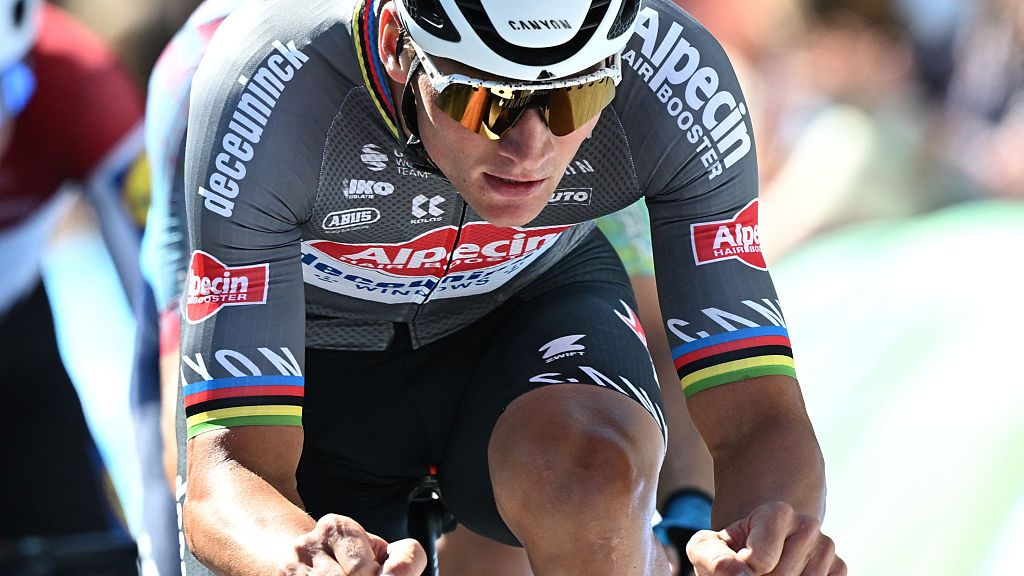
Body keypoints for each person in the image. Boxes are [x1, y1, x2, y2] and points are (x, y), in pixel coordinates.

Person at [179, 1, 845, 575]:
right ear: (396, 48)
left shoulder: (674, 76)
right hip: (318, 355)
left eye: (574, 99)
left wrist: (767, 544)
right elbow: (227, 468)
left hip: (528, 313)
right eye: (484, 101)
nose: (530, 148)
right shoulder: (270, 86)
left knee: (588, 481)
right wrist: (294, 557)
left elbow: (759, 415)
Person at [1, 0, 144, 543]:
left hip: (16, 326)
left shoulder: (82, 86)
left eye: (7, 89)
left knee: (84, 546)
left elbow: (166, 309)